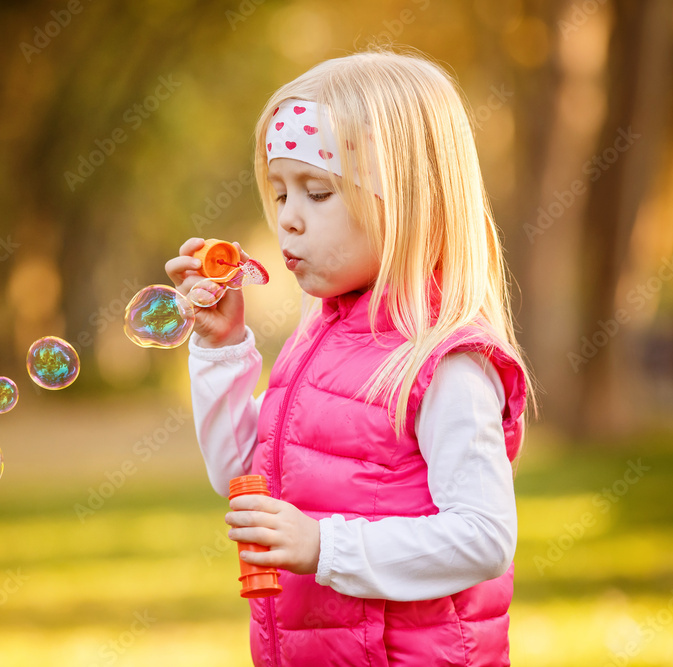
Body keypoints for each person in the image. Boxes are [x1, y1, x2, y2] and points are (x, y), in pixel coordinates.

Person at [165, 47, 533, 667]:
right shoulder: (322, 337)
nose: (289, 221)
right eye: (279, 194)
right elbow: (241, 476)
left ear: (409, 200)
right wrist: (222, 347)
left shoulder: (445, 364)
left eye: (317, 191)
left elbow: (484, 537)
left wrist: (322, 545)